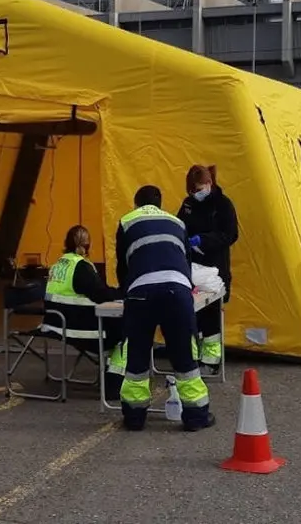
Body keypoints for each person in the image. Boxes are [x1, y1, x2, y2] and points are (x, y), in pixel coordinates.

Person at [115, 185, 214, 432]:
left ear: (136, 204)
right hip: (177, 292)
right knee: (184, 357)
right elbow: (187, 262)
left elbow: (122, 265)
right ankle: (196, 416)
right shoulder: (177, 222)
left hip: (141, 294)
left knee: (136, 357)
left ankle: (135, 418)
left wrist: (126, 294)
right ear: (160, 204)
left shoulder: (127, 222)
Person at [40, 225, 127, 400]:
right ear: (88, 245)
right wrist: (122, 293)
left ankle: (110, 370)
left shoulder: (58, 264)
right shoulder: (81, 267)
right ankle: (113, 384)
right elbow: (101, 294)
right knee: (128, 332)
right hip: (80, 329)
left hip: (54, 324)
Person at [176, 165, 238, 372]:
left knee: (211, 312)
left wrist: (204, 240)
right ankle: (192, 357)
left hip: (215, 267)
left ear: (209, 184)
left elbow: (230, 234)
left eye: (199, 189)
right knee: (191, 312)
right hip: (192, 266)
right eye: (192, 191)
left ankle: (211, 361)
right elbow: (180, 226)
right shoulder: (188, 204)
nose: (196, 194)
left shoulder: (223, 204)